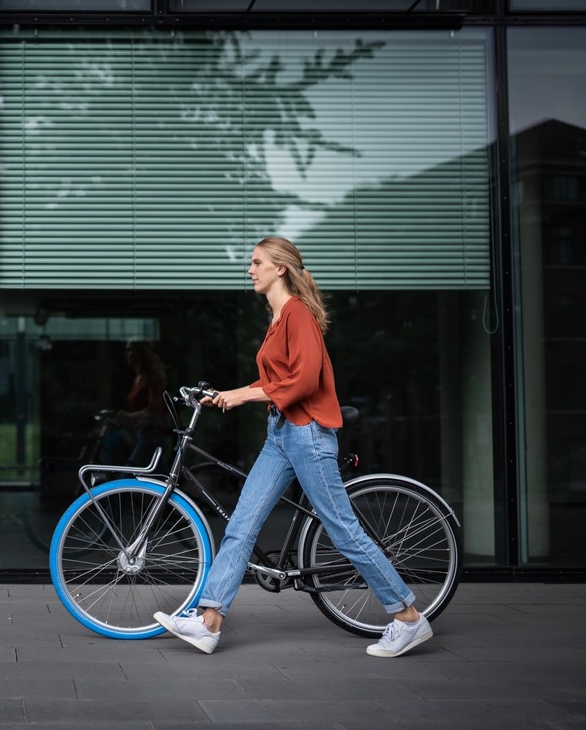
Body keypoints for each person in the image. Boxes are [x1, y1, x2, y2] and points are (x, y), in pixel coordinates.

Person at [153, 237, 432, 658]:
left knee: (343, 531)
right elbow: (273, 381)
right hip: (281, 435)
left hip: (309, 435)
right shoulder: (278, 318)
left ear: (279, 268)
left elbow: (303, 381)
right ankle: (208, 623)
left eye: (256, 262)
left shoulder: (297, 314)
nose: (250, 269)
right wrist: (225, 393)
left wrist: (244, 397)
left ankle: (408, 617)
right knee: (241, 525)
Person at [100, 339, 171, 468]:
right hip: (142, 433)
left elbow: (155, 409)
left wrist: (128, 416)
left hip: (151, 435)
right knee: (158, 477)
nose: (127, 354)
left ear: (141, 353)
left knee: (128, 476)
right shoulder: (139, 378)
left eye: (130, 350)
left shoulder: (151, 378)